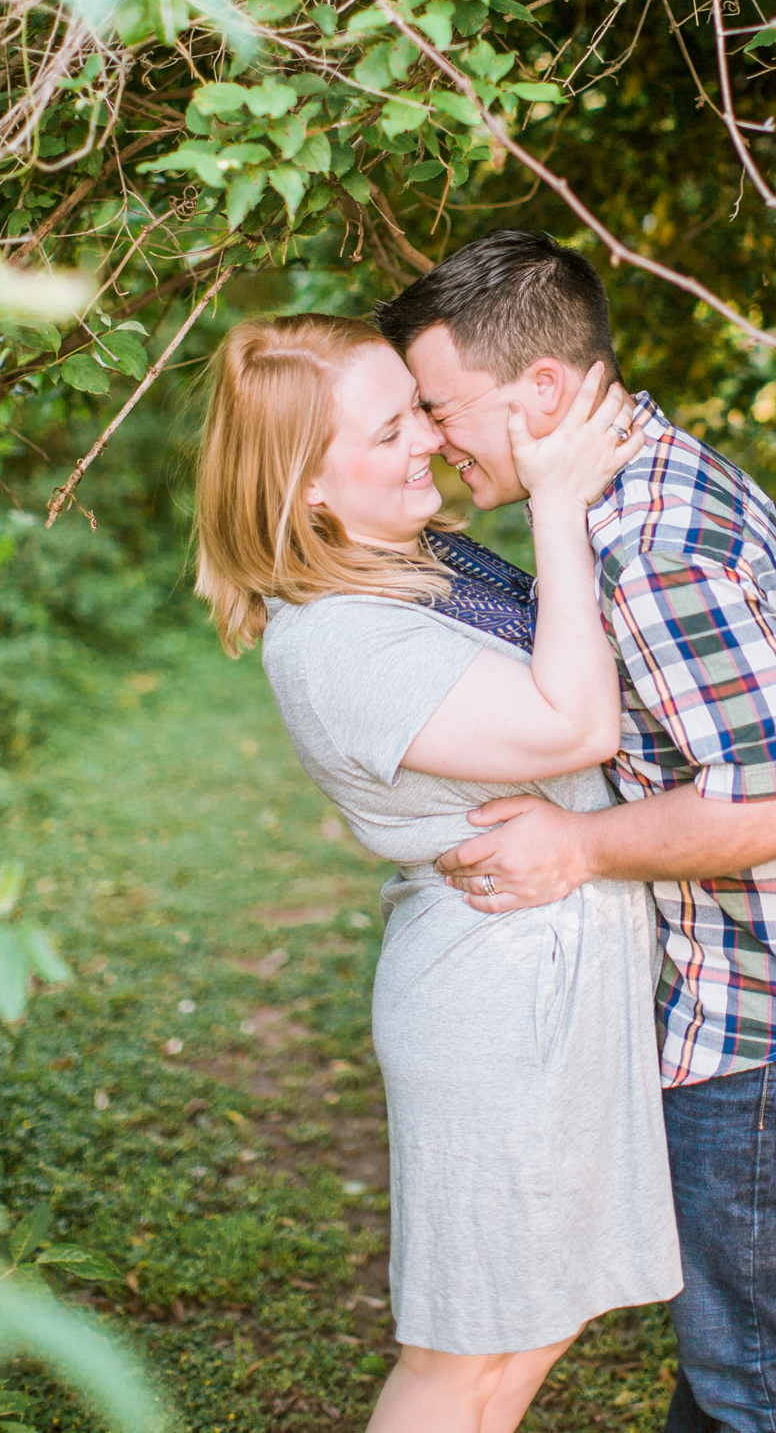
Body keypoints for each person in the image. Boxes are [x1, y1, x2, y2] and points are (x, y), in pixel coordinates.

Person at [376, 231, 776, 1433]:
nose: (429, 435)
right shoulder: (625, 499)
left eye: (438, 405)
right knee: (730, 1357)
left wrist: (573, 848)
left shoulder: (655, 542)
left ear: (537, 390)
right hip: (750, 999)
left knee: (762, 1375)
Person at [192, 313, 681, 1433]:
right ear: (309, 487)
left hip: (550, 987)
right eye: (388, 426)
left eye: (414, 407)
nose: (425, 437)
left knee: (525, 1338)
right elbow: (578, 717)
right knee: (458, 1356)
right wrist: (555, 499)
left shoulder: (419, 564)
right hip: (494, 1008)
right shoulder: (335, 642)